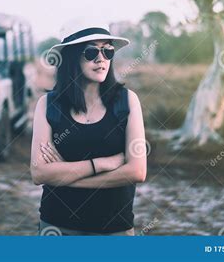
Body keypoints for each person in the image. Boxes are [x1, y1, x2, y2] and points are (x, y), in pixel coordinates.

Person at [30, 19, 147, 236]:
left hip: (115, 231)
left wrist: (68, 179)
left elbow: (137, 171)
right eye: (92, 52)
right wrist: (102, 164)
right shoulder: (48, 105)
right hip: (58, 228)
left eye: (108, 52)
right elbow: (39, 173)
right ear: (72, 57)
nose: (101, 59)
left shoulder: (127, 101)